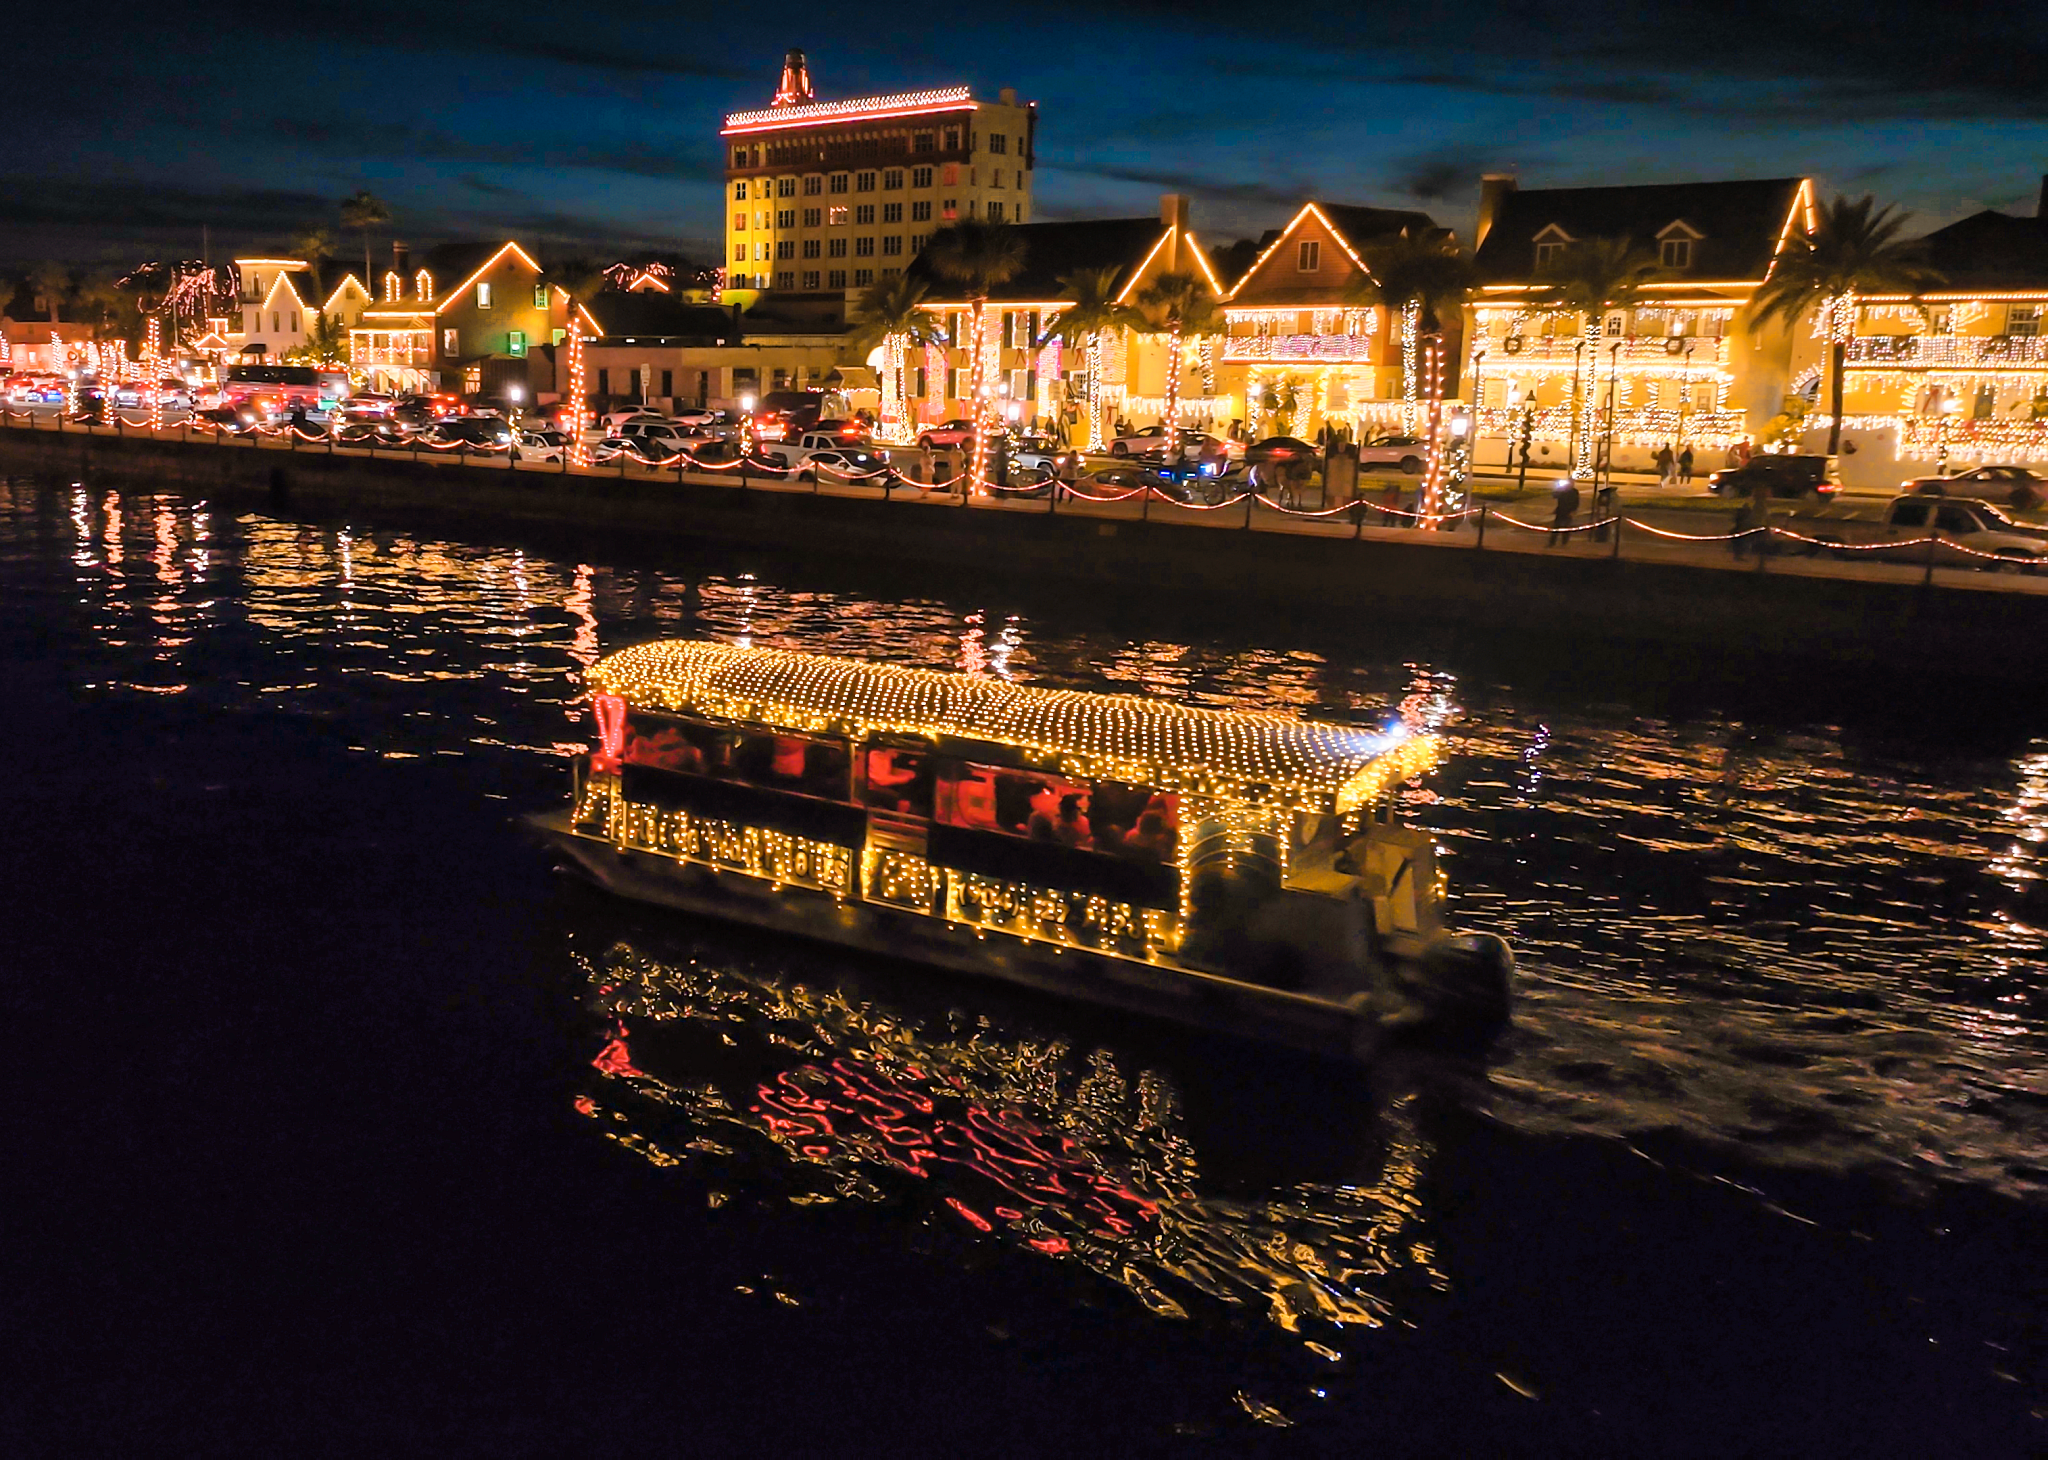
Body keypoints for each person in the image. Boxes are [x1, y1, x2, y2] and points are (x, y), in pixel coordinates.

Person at [1548, 479, 1580, 545]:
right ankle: (1552, 542)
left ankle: (1564, 542)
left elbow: (1576, 502)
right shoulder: (1563, 491)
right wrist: (1558, 489)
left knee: (1566, 528)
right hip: (1560, 510)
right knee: (1556, 527)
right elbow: (1554, 496)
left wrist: (1573, 510)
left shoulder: (1574, 492)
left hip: (1568, 511)